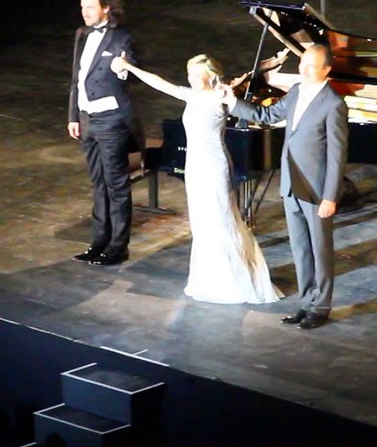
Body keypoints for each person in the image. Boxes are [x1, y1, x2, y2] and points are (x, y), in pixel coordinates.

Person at [111, 52, 281, 304]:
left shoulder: (220, 97)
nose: (190, 79)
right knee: (202, 224)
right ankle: (209, 279)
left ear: (209, 76)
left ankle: (234, 281)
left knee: (220, 220)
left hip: (214, 166)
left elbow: (249, 94)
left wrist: (264, 67)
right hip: (195, 167)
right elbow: (160, 83)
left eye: (195, 75)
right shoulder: (192, 95)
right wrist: (129, 68)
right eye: (188, 74)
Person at [225, 44, 348, 329]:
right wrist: (231, 102)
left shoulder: (334, 104)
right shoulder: (295, 91)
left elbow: (337, 155)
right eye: (302, 64)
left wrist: (331, 196)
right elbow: (267, 116)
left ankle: (321, 306)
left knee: (320, 250)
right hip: (291, 185)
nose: (304, 70)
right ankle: (306, 303)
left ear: (327, 70)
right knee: (300, 249)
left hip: (316, 191)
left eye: (311, 66)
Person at [67, 0, 144, 266]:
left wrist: (124, 67)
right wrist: (73, 116)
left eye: (90, 7)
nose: (84, 12)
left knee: (116, 185)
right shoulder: (82, 35)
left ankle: (118, 246)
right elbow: (76, 78)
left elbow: (133, 68)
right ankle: (98, 241)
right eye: (82, 7)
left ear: (106, 8)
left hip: (112, 121)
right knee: (97, 183)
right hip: (87, 120)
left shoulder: (121, 36)